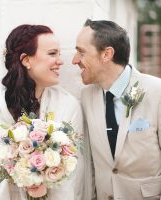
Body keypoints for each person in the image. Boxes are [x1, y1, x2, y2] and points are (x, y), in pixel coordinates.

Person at [0, 24, 85, 200]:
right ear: (26, 60)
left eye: (58, 53)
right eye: (52, 53)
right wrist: (21, 171)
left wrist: (46, 177)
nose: (60, 60)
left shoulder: (67, 106)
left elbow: (74, 174)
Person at [72, 19, 161, 200]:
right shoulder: (86, 97)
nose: (74, 60)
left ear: (106, 54)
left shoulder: (157, 91)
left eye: (81, 52)